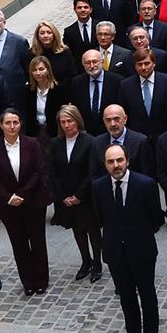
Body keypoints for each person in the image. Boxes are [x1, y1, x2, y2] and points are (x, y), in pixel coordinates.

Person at [93, 143, 165, 333]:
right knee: (126, 296)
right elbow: (99, 218)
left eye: (119, 160)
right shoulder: (98, 186)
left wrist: (137, 235)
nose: (116, 165)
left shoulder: (145, 184)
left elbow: (156, 219)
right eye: (111, 162)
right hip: (115, 251)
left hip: (141, 250)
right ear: (105, 164)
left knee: (147, 294)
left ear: (127, 161)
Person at [0, 110, 50, 296]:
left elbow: (39, 171)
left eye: (15, 122)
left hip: (33, 202)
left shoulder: (32, 143)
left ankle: (41, 280)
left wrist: (22, 194)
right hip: (8, 206)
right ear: (1, 125)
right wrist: (8, 197)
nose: (12, 126)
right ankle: (28, 281)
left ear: (21, 124)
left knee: (38, 242)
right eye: (8, 123)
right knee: (19, 244)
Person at [49, 104, 101, 282]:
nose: (66, 125)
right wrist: (63, 196)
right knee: (77, 230)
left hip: (85, 196)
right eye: (62, 122)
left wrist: (79, 196)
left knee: (92, 230)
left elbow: (92, 172)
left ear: (77, 121)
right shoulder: (56, 143)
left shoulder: (90, 142)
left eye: (69, 121)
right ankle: (86, 261)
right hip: (66, 197)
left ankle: (97, 263)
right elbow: (53, 172)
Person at [23, 55, 66, 144]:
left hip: (54, 133)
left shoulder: (59, 89)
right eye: (34, 70)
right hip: (34, 133)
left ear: (48, 70)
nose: (38, 73)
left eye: (41, 69)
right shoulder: (28, 90)